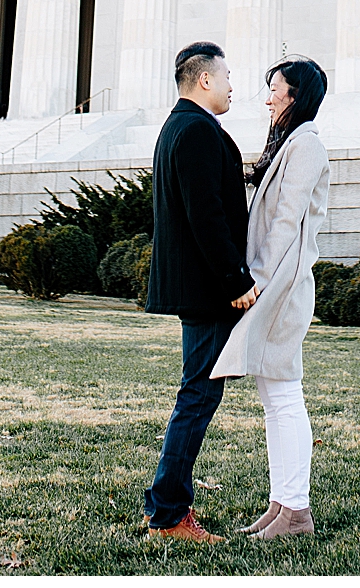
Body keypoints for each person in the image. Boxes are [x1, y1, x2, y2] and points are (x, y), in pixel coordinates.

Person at [211, 56, 331, 540]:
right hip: (274, 283)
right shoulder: (288, 143)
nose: (268, 96)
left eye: (275, 89)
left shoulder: (306, 146)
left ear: (295, 95)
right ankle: (281, 506)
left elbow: (286, 221)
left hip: (280, 286)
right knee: (274, 397)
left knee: (284, 398)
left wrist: (253, 280)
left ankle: (296, 512)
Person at [142, 42, 258, 544]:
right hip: (210, 290)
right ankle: (168, 513)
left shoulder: (179, 128)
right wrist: (236, 281)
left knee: (197, 392)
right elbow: (205, 215)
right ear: (205, 80)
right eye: (228, 76)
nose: (233, 85)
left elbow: (210, 195)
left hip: (199, 287)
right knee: (197, 395)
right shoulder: (196, 131)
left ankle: (166, 508)